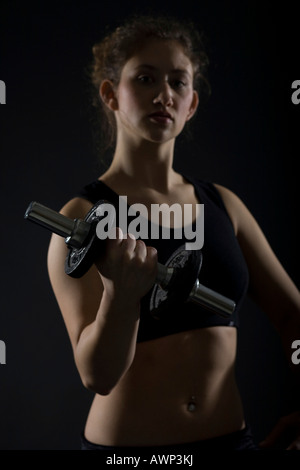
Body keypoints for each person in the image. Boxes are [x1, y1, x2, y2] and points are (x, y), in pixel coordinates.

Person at [47, 15, 300, 452]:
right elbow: (98, 376)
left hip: (232, 443)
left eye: (178, 83)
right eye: (145, 78)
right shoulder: (84, 217)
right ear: (111, 94)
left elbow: (292, 315)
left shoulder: (223, 205)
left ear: (192, 104)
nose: (163, 94)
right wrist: (120, 297)